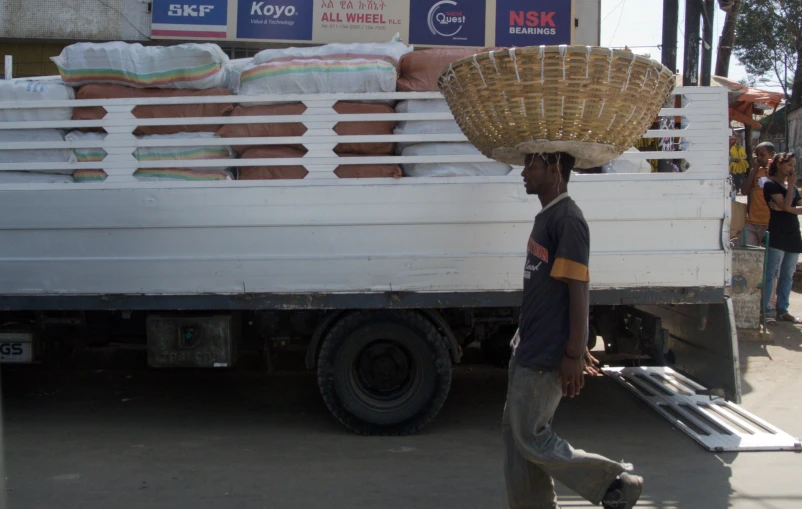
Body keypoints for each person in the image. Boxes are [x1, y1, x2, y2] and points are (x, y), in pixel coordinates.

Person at [504, 152, 643, 509]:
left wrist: (573, 353)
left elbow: (579, 288)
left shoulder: (567, 219)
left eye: (531, 166)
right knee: (519, 446)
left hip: (545, 352)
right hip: (528, 346)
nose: (523, 172)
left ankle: (613, 482)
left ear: (555, 170)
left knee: (532, 440)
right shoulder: (549, 216)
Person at [763, 152, 801, 324]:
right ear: (779, 165)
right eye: (789, 165)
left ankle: (783, 309)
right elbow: (786, 204)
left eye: (793, 166)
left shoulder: (789, 185)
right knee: (771, 274)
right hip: (778, 233)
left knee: (788, 274)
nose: (792, 169)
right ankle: (765, 311)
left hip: (793, 233)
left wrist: (787, 208)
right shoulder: (770, 185)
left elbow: (791, 207)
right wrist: (791, 188)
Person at [741, 142, 776, 246]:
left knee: (767, 255)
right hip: (751, 221)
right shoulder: (756, 171)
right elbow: (744, 191)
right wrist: (754, 169)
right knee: (750, 254)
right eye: (757, 155)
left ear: (772, 154)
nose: (759, 158)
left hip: (768, 222)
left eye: (762, 155)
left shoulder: (779, 172)